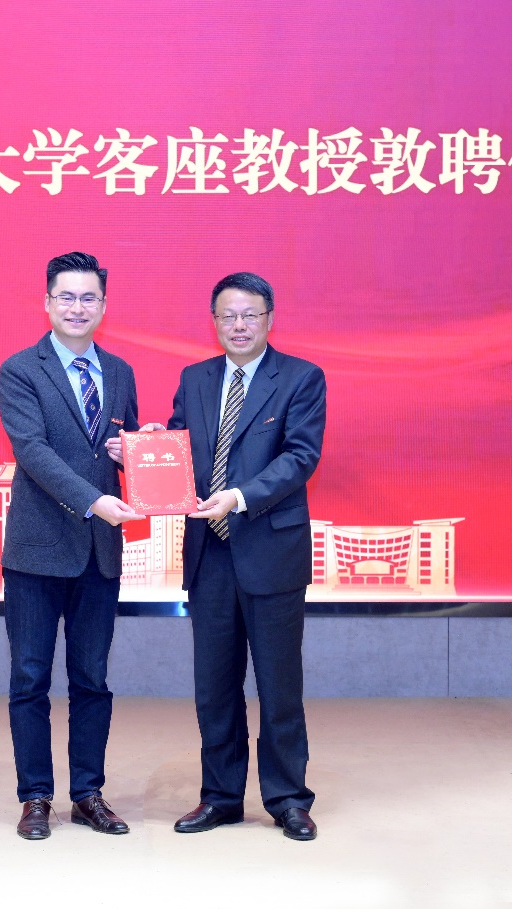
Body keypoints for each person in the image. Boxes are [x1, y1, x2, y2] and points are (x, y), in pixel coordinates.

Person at [168, 271, 326, 841]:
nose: (238, 325)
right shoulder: (195, 378)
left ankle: (288, 798)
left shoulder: (302, 378)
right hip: (209, 554)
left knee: (279, 686)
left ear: (269, 319)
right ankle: (220, 797)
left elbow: (299, 457)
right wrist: (141, 450)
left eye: (250, 314)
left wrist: (238, 497)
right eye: (228, 315)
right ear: (214, 321)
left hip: (271, 550)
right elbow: (179, 449)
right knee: (214, 688)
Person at [0, 251, 143, 840]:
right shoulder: (20, 369)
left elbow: (124, 446)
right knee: (30, 678)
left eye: (88, 298)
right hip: (37, 550)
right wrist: (94, 499)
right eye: (66, 297)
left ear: (103, 306)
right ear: (47, 302)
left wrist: (138, 452)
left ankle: (88, 794)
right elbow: (31, 451)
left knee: (92, 680)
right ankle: (35, 796)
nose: (77, 307)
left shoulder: (121, 372)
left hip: (99, 553)